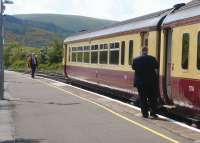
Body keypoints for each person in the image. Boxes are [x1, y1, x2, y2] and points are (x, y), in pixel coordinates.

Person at [132, 47, 159, 118]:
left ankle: (145, 114)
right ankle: (153, 113)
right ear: (147, 51)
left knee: (142, 98)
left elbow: (133, 68)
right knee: (152, 98)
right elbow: (157, 66)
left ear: (141, 51)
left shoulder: (136, 60)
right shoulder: (152, 59)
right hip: (151, 82)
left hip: (140, 83)